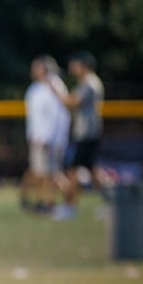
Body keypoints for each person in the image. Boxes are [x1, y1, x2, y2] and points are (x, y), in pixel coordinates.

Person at [52, 51, 104, 219]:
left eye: (75, 64)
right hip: (88, 132)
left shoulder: (89, 83)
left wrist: (56, 91)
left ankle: (70, 207)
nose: (72, 67)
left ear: (83, 65)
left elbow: (72, 102)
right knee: (93, 171)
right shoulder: (87, 82)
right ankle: (114, 205)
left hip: (87, 133)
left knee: (73, 170)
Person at [21, 55, 70, 215]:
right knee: (41, 172)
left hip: (51, 139)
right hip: (39, 138)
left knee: (51, 173)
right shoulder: (35, 88)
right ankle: (44, 202)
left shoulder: (55, 86)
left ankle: (62, 203)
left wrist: (52, 137)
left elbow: (60, 115)